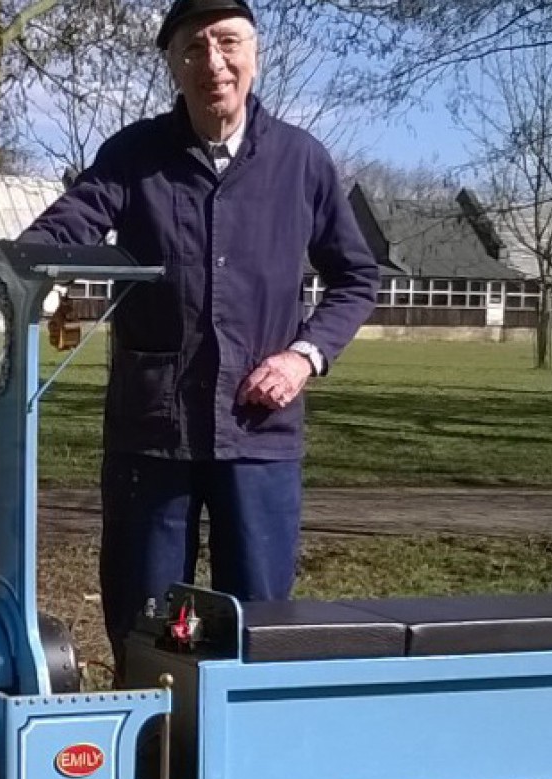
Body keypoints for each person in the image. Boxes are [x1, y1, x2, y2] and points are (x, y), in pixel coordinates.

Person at [19, 0, 380, 678]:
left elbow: (356, 277)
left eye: (227, 43)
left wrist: (303, 357)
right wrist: (21, 264)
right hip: (152, 431)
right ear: (174, 67)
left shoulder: (302, 162)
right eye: (193, 49)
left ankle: (245, 763)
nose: (213, 63)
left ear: (255, 53)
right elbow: (65, 225)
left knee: (260, 623)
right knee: (148, 622)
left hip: (260, 431)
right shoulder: (134, 155)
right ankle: (148, 760)